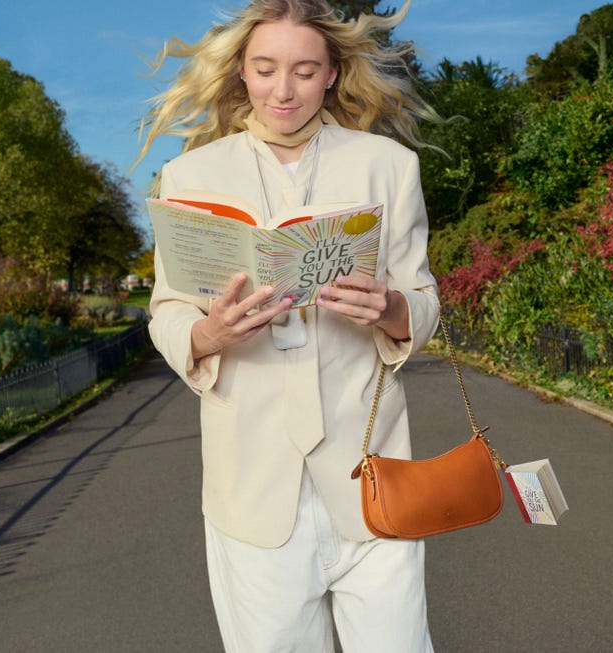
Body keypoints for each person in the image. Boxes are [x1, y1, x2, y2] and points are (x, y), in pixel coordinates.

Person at [136, 1, 439, 650]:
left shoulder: (389, 167)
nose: (283, 89)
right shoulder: (189, 178)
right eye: (266, 68)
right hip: (250, 484)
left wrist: (390, 309)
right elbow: (166, 310)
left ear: (332, 73)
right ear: (241, 72)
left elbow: (423, 298)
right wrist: (207, 335)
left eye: (304, 71)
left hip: (370, 469)